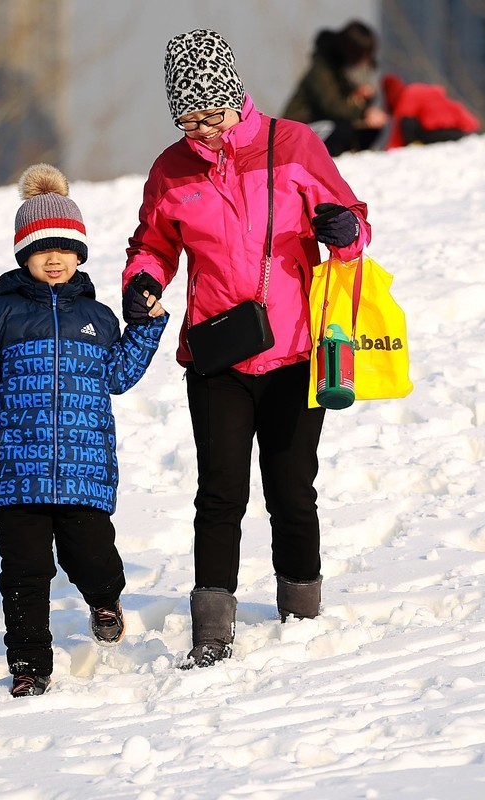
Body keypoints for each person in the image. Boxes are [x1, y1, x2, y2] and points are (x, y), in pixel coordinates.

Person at [121, 29, 371, 669]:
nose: (199, 132)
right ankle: (212, 628)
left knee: (292, 489)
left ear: (233, 97)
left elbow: (352, 226)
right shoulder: (171, 169)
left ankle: (302, 612)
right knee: (220, 493)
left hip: (294, 352)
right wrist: (143, 281)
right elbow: (153, 244)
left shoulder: (292, 146)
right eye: (187, 119)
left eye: (209, 116)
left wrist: (344, 228)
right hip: (216, 356)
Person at [0, 163, 168, 696]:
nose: (54, 258)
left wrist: (147, 326)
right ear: (23, 254)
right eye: (42, 248)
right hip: (16, 472)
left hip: (82, 471)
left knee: (92, 559)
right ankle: (29, 666)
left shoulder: (97, 316)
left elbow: (117, 377)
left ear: (80, 254)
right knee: (24, 574)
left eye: (66, 248)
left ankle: (105, 599)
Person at [282, 20, 390, 156]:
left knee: (370, 129)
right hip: (299, 128)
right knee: (341, 129)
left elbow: (343, 104)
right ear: (352, 51)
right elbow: (332, 106)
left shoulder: (339, 69)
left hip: (325, 123)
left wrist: (360, 96)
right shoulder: (321, 70)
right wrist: (364, 112)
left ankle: (352, 156)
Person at [381, 73, 481, 150]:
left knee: (407, 121)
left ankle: (415, 144)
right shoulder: (434, 94)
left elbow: (400, 126)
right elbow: (467, 118)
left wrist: (389, 149)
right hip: (456, 133)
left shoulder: (407, 95)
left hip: (434, 132)